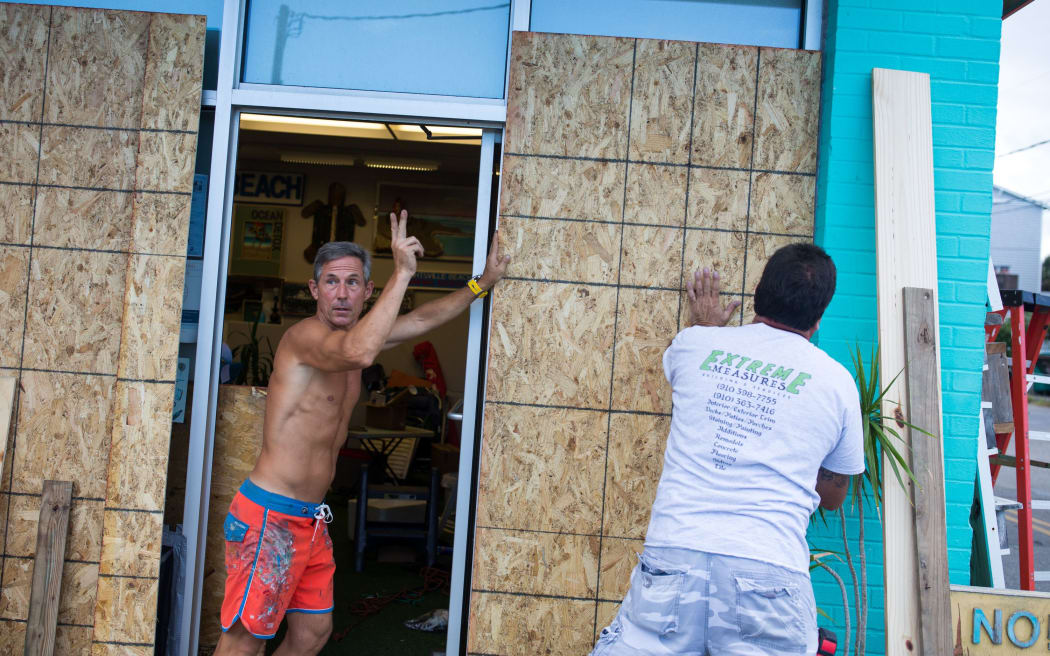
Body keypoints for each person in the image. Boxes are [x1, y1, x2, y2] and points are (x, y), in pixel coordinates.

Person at [215, 211, 510, 656]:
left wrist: (481, 283)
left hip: (310, 518)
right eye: (331, 282)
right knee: (245, 641)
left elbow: (422, 320)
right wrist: (404, 273)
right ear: (314, 289)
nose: (341, 293)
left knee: (312, 634)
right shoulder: (306, 339)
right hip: (270, 517)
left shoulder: (359, 333)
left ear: (367, 291)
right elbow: (359, 351)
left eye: (353, 283)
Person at [590, 243, 864, 656]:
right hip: (768, 573)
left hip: (674, 561)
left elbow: (701, 364)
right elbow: (832, 497)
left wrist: (705, 326)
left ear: (757, 292)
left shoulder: (694, 345)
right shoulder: (838, 383)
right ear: (819, 317)